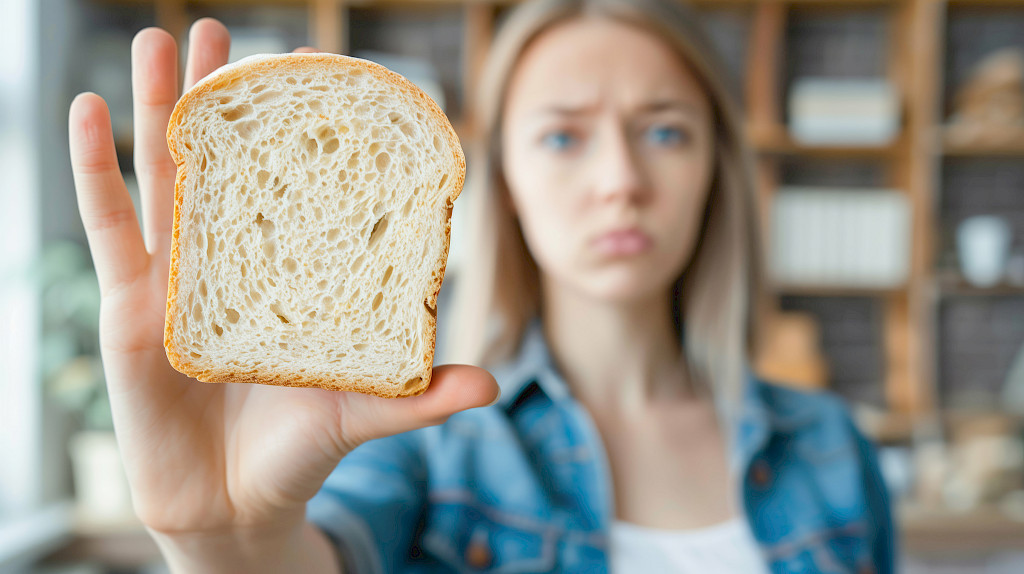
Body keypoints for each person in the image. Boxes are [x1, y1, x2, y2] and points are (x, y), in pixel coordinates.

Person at [67, 0, 894, 572]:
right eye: (563, 137)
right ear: (500, 182)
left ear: (717, 168)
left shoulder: (831, 449)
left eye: (666, 131)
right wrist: (220, 543)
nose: (621, 180)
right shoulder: (416, 445)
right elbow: (322, 556)